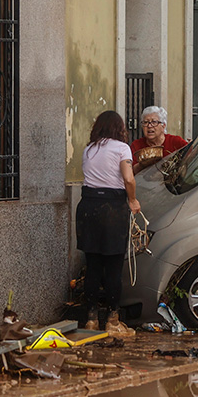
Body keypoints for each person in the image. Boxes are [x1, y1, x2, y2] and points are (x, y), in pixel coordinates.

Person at [77, 111, 141, 336]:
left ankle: (91, 320)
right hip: (112, 208)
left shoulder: (89, 148)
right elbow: (128, 178)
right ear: (119, 128)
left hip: (88, 207)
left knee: (93, 265)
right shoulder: (122, 148)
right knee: (113, 266)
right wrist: (132, 200)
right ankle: (113, 320)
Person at [130, 106, 188, 173]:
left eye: (154, 122)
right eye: (145, 122)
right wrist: (143, 164)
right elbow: (130, 171)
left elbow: (190, 156)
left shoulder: (176, 142)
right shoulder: (136, 145)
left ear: (163, 126)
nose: (149, 126)